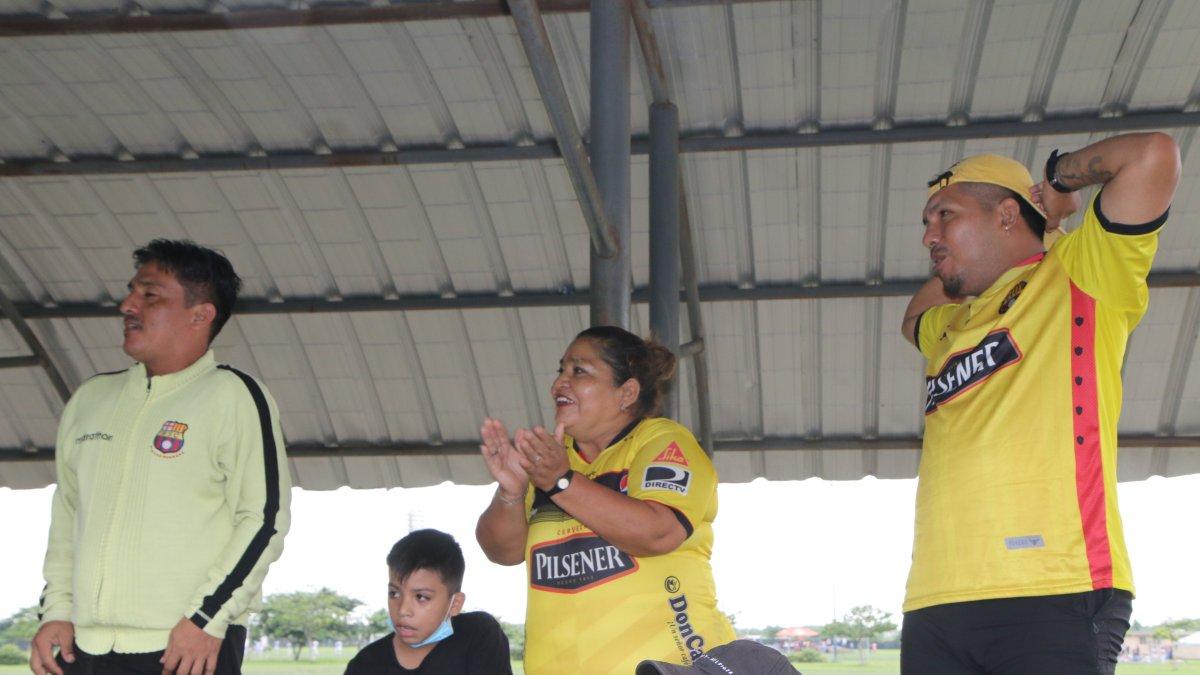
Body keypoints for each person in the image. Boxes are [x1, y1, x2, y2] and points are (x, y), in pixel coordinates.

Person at [899, 133, 1181, 674]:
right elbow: (911, 319)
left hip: (1052, 584)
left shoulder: (1081, 271)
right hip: (935, 598)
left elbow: (1153, 156)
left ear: (1007, 215)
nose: (928, 237)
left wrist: (1054, 185)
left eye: (944, 216)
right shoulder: (951, 325)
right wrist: (961, 254)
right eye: (926, 223)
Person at [30, 239, 292, 675]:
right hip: (84, 648)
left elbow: (264, 519)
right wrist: (56, 610)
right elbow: (68, 514)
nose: (127, 305)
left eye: (149, 295)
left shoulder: (234, 396)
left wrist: (205, 619)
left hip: (185, 647)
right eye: (132, 291)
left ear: (200, 314)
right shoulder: (91, 398)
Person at [475, 326, 735, 675]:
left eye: (578, 371)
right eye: (561, 371)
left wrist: (561, 482)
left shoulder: (662, 442)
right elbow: (501, 551)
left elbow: (657, 533)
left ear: (626, 392)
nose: (558, 385)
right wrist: (511, 492)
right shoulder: (552, 458)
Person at [343, 529, 512, 675]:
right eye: (394, 594)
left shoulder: (477, 634)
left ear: (454, 604)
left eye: (421, 597)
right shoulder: (364, 665)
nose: (403, 610)